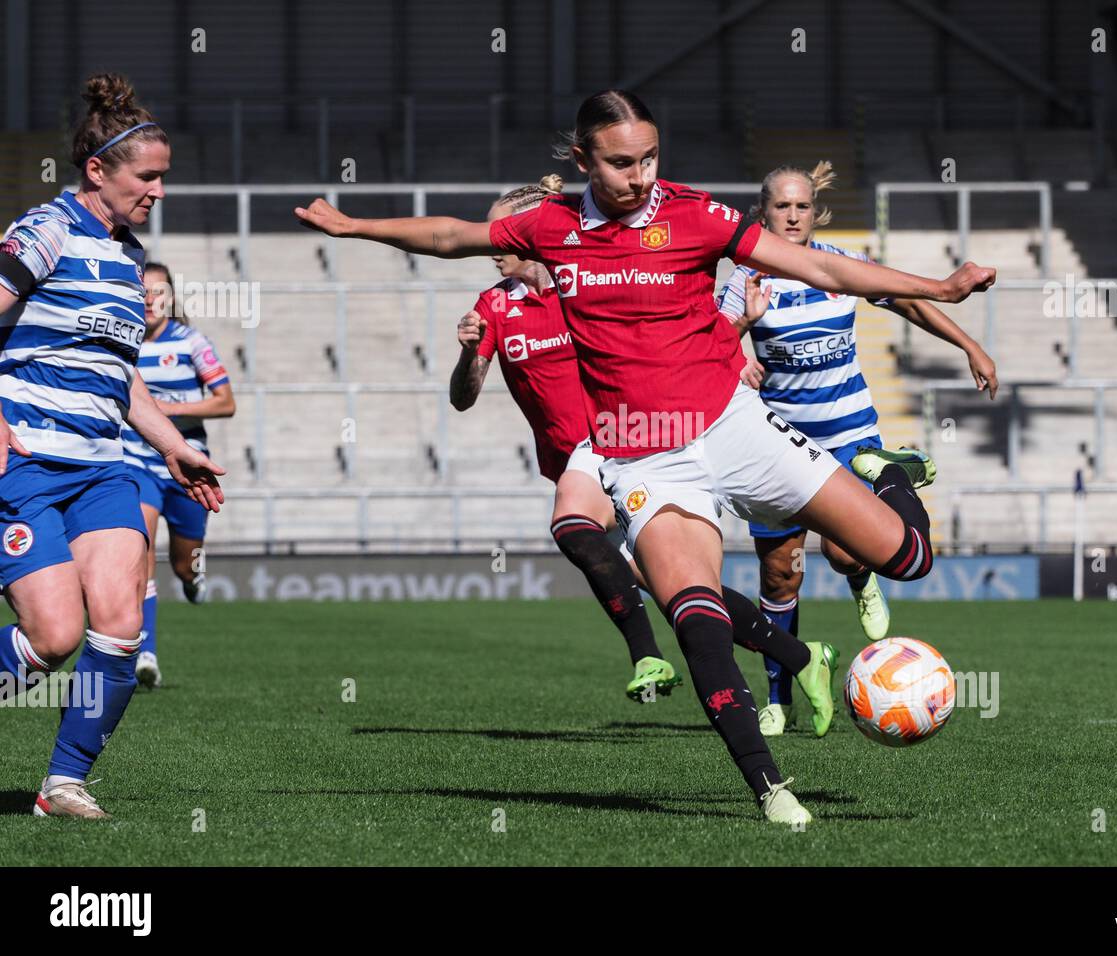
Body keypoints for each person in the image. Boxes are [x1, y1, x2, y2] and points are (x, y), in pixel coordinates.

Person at [296, 89, 995, 826]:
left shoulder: (696, 215)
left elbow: (824, 271)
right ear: (583, 160)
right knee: (697, 620)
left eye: (650, 158)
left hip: (734, 426)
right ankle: (771, 790)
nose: (641, 176)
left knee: (908, 557)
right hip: (644, 457)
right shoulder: (551, 225)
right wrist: (352, 227)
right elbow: (451, 236)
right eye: (622, 162)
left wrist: (939, 287)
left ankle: (882, 470)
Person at [450, 175, 839, 710]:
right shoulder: (494, 306)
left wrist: (731, 349)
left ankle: (646, 657)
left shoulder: (585, 285)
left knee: (574, 527)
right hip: (578, 461)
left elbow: (668, 342)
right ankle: (802, 657)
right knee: (677, 587)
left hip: (631, 448)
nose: (494, 246)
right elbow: (463, 399)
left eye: (501, 233)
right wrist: (468, 354)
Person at [0, 73, 224, 819]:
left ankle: (63, 783)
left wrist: (171, 447)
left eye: (164, 177)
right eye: (147, 177)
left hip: (103, 468)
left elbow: (119, 379)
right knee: (52, 637)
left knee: (121, 628)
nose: (158, 191)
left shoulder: (128, 264)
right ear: (98, 170)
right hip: (27, 461)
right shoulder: (46, 231)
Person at [717, 160, 998, 736]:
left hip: (849, 438)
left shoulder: (842, 267)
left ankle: (859, 577)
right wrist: (741, 342)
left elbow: (910, 302)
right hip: (775, 448)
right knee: (779, 577)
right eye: (780, 206)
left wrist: (970, 344)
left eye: (801, 206)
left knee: (847, 552)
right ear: (761, 213)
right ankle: (779, 697)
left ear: (813, 212)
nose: (791, 216)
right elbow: (711, 344)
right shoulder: (742, 278)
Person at [123, 261, 236, 689]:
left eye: (159, 293)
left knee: (184, 563)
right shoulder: (123, 345)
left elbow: (226, 402)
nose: (151, 301)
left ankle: (191, 580)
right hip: (137, 462)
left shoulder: (191, 342)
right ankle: (145, 651)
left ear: (171, 299)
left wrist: (168, 412)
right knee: (142, 550)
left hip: (188, 468)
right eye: (144, 293)